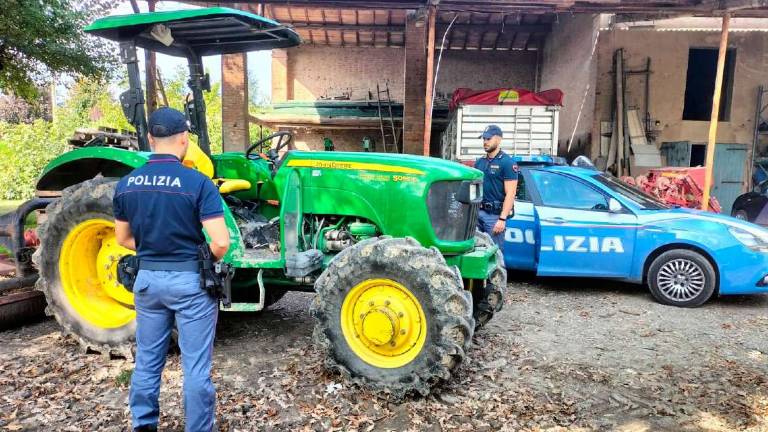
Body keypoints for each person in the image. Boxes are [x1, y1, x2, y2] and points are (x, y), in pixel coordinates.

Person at [113, 107, 230, 432]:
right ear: (185, 139)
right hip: (190, 282)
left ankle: (144, 425)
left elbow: (123, 238)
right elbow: (220, 242)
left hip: (148, 282)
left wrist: (155, 247)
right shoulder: (198, 183)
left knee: (148, 362)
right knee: (195, 368)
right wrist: (195, 255)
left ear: (150, 138)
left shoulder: (126, 184)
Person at [475, 125, 518, 252]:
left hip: (494, 217)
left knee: (495, 255)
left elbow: (511, 193)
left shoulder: (507, 163)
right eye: (484, 139)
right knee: (475, 253)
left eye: (488, 139)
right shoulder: (479, 162)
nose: (485, 142)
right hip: (477, 214)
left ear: (498, 140)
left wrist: (502, 219)